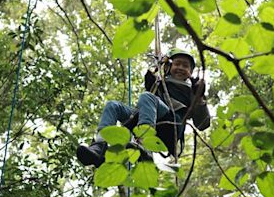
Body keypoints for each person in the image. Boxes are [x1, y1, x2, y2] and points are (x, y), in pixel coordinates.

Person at [76, 48, 210, 167]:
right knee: (113, 106)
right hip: (152, 119)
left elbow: (203, 123)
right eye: (177, 64)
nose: (180, 68)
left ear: (190, 72)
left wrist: (199, 97)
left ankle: (144, 144)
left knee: (147, 97)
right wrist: (153, 77)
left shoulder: (192, 90)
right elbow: (149, 102)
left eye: (185, 66)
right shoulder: (159, 84)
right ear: (168, 67)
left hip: (171, 127)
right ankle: (99, 146)